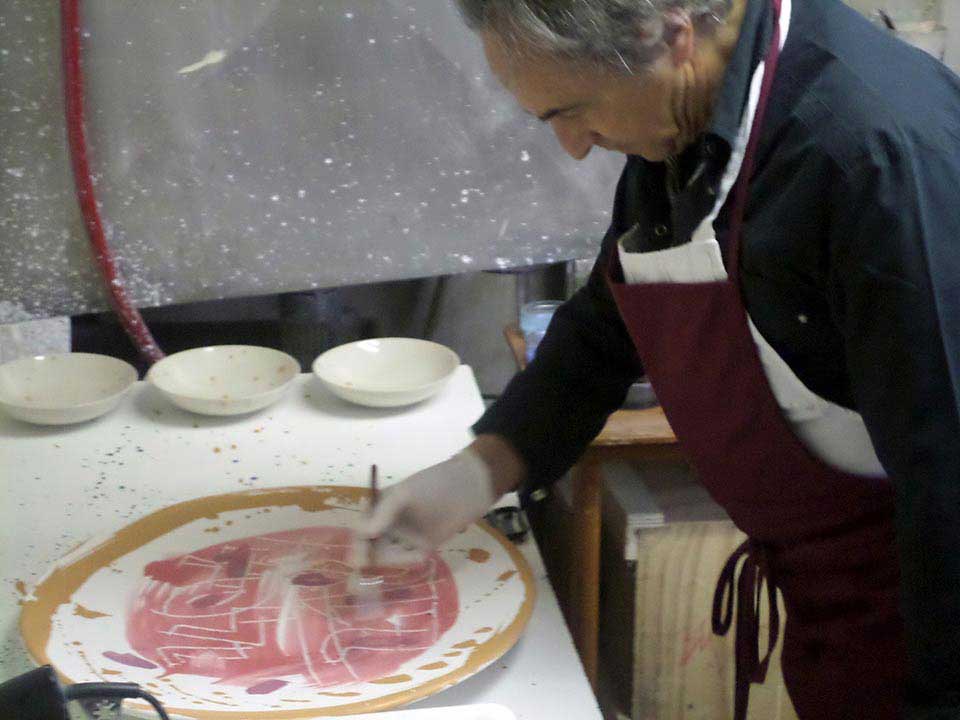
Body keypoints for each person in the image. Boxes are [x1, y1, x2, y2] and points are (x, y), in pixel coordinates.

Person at [365, 0, 960, 717]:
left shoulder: (879, 156)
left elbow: (949, 480)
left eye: (573, 112)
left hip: (928, 624)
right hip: (827, 608)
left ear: (673, 37)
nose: (575, 147)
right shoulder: (689, 114)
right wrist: (479, 469)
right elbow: (610, 319)